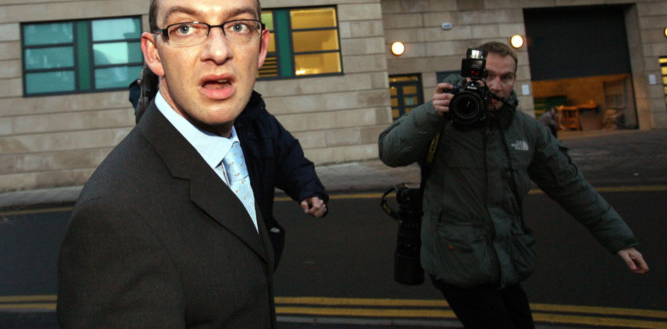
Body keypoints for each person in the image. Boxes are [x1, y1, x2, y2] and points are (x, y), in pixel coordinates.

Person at [57, 0, 304, 328]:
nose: (219, 51)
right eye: (185, 28)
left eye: (238, 26)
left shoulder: (238, 151)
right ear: (154, 54)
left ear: (262, 48)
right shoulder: (115, 216)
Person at [378, 41, 648, 328]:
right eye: (488, 75)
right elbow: (391, 152)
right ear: (472, 74)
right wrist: (431, 113)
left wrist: (619, 239)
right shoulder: (441, 117)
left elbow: (569, 185)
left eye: (506, 77)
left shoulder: (527, 130)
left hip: (506, 262)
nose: (496, 86)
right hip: (456, 261)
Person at [129, 68, 329, 268]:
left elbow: (287, 156)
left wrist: (309, 191)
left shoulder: (256, 117)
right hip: (197, 251)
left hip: (254, 244)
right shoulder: (172, 123)